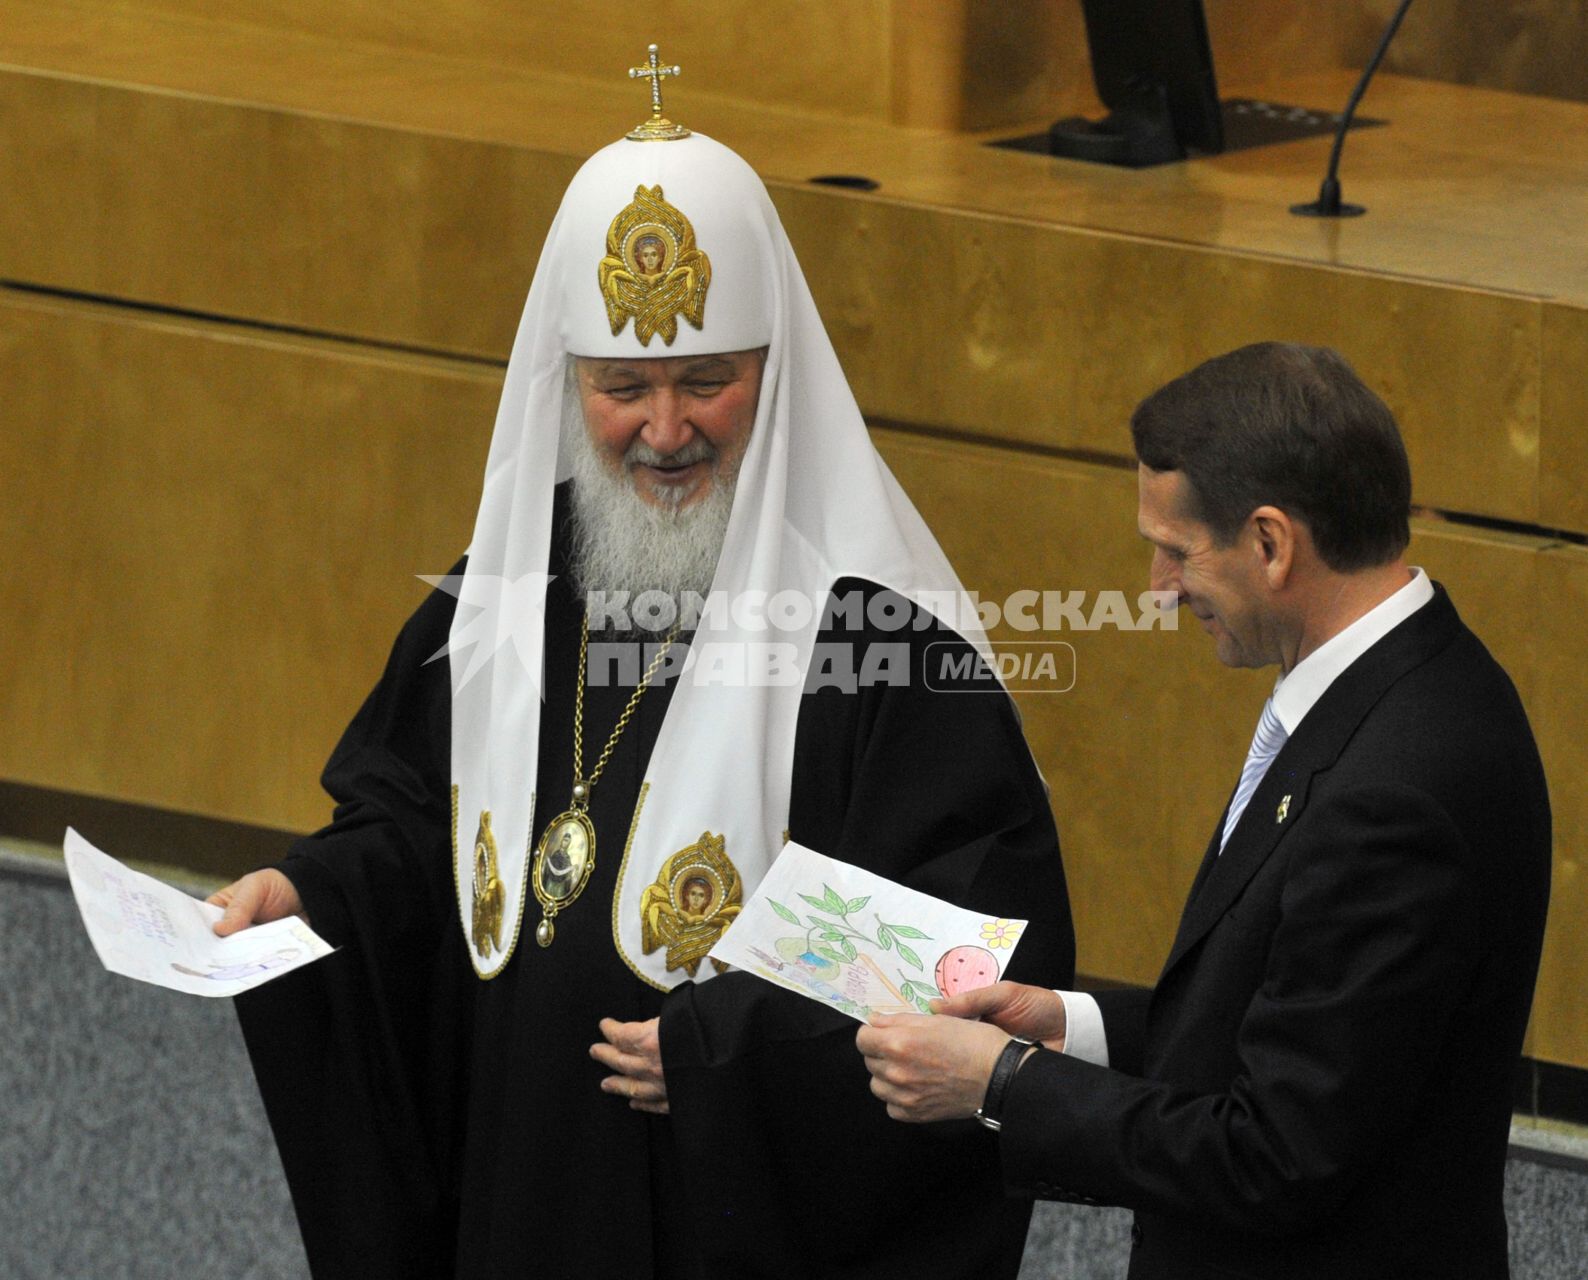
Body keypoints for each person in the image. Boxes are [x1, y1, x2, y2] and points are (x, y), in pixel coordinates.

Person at [209, 75, 1073, 1280]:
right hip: (524, 1180)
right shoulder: (509, 587)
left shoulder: (885, 642)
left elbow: (970, 959)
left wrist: (738, 1055)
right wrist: (312, 893)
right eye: (622, 389)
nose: (665, 430)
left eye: (704, 379)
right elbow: (415, 824)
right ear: (569, 389)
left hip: (731, 1223)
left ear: (776, 371)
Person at [858, 343, 1551, 1279]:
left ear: (1270, 543)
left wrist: (1002, 1086)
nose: (1155, 586)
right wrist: (1072, 1029)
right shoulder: (1413, 685)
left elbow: (1275, 1156)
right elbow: (1288, 1021)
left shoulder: (1393, 793)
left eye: (1177, 550)